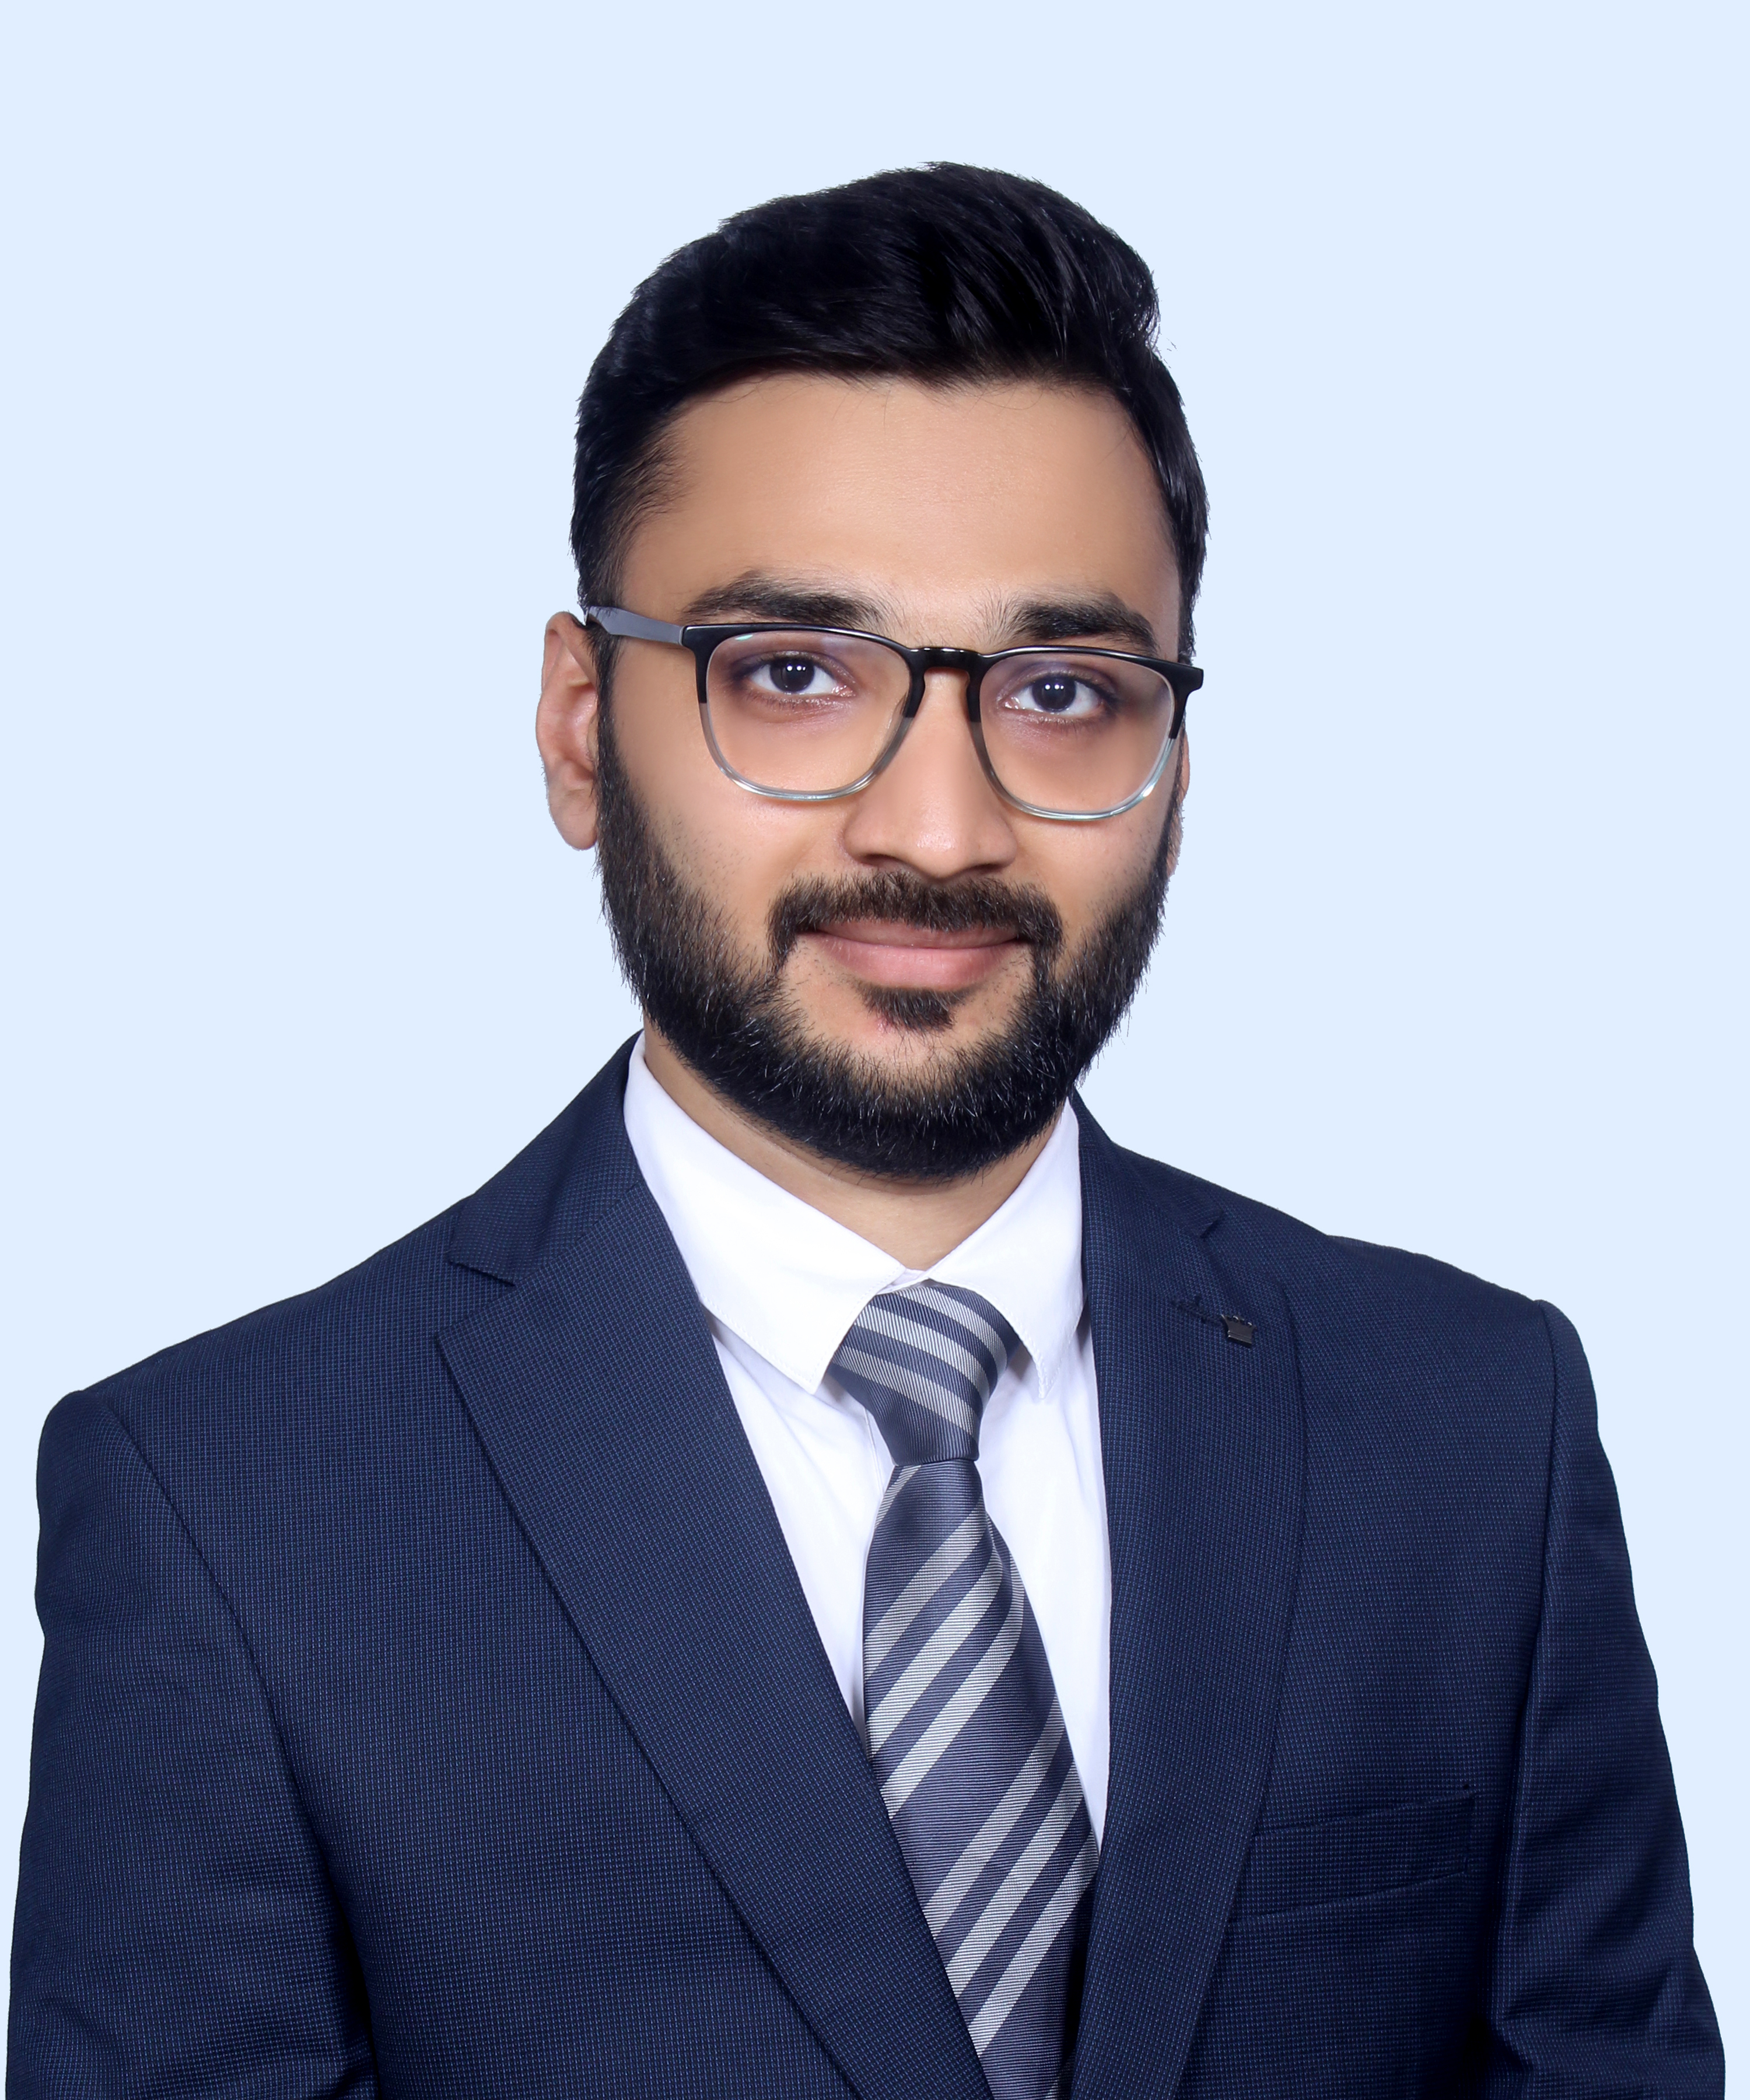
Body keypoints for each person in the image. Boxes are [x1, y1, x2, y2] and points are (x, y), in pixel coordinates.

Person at [9, 164, 1723, 2100]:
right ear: (580, 728)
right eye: (796, 677)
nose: (938, 829)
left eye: (1062, 691)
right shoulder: (230, 1511)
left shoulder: (1475, 1428)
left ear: (1175, 759)